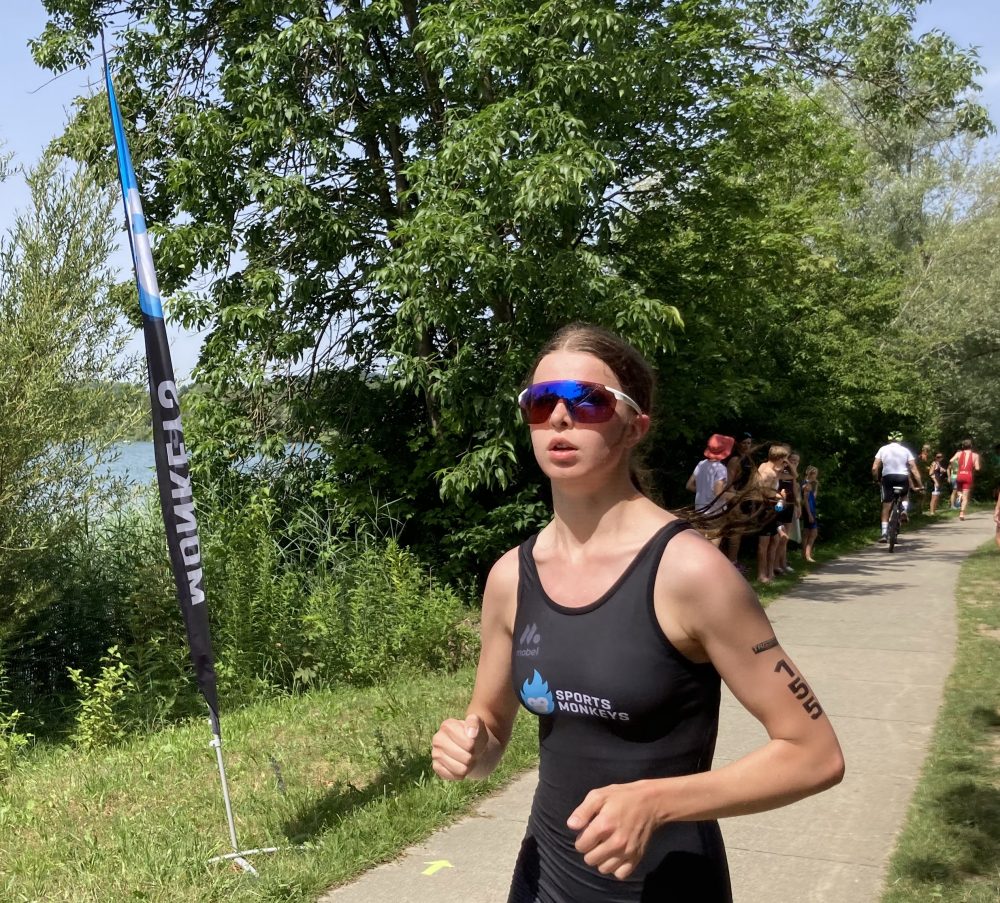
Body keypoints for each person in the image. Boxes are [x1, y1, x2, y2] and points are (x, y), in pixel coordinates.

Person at [431, 324, 844, 903]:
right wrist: (470, 748)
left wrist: (658, 800)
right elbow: (491, 731)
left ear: (634, 426)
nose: (560, 417)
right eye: (541, 402)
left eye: (588, 401)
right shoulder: (510, 578)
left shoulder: (690, 574)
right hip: (542, 881)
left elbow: (814, 754)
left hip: (668, 885)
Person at [871, 433, 923, 543]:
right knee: (904, 495)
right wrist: (920, 484)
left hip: (888, 478)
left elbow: (875, 468)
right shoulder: (906, 450)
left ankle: (884, 533)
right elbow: (913, 468)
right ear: (900, 440)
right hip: (902, 477)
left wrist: (876, 479)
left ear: (889, 440)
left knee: (886, 506)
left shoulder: (883, 449)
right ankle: (904, 509)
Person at [686, 434, 735, 546]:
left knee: (700, 544)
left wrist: (703, 491)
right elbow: (718, 493)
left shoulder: (701, 464)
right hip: (715, 512)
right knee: (713, 545)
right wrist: (734, 495)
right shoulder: (721, 468)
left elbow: (689, 486)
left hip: (700, 510)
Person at [755, 445, 789, 583]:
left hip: (771, 508)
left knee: (773, 540)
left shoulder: (764, 466)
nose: (785, 462)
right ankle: (761, 575)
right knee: (764, 544)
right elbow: (760, 492)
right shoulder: (769, 473)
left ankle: (770, 572)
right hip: (765, 509)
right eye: (784, 459)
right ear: (779, 458)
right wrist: (780, 497)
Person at [722, 433, 754, 566]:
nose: (746, 445)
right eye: (744, 443)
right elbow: (729, 483)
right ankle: (731, 563)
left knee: (739, 534)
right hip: (735, 500)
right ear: (738, 444)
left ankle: (733, 562)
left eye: (749, 443)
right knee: (734, 535)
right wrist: (735, 501)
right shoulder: (735, 460)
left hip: (746, 499)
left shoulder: (749, 459)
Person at [773, 452, 800, 576]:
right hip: (779, 504)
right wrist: (788, 465)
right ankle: (775, 565)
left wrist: (798, 506)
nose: (794, 463)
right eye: (792, 460)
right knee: (778, 537)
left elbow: (795, 490)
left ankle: (782, 563)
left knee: (785, 539)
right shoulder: (780, 470)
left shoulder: (793, 475)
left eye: (796, 461)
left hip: (789, 504)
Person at [949, 439, 980, 521]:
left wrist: (956, 467)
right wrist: (973, 467)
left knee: (959, 490)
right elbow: (977, 468)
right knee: (965, 497)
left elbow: (951, 460)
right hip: (968, 475)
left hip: (959, 474)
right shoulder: (975, 455)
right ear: (971, 446)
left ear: (963, 446)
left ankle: (959, 495)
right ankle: (962, 513)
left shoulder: (959, 453)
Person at [800, 466, 819, 562]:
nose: (816, 476)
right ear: (811, 474)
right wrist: (810, 514)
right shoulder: (806, 485)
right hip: (808, 511)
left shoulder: (810, 484)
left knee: (807, 532)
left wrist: (816, 486)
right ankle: (807, 555)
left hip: (811, 509)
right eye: (815, 474)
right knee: (814, 533)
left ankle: (805, 554)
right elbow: (805, 501)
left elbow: (813, 498)